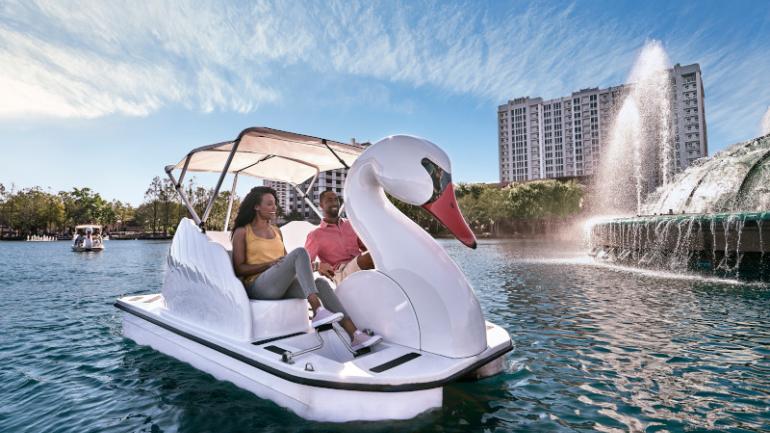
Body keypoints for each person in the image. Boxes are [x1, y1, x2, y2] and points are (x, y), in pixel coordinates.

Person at [231, 186, 381, 351]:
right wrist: (268, 264)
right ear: (256, 207)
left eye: (275, 204)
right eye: (269, 204)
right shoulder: (243, 232)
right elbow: (239, 269)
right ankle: (317, 310)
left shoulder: (276, 231)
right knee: (300, 252)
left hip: (278, 285)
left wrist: (315, 268)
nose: (274, 207)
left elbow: (288, 262)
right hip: (258, 286)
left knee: (321, 283)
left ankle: (355, 335)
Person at [305, 189, 374, 286]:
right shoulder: (315, 235)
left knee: (378, 253)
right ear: (321, 205)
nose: (334, 203)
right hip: (340, 273)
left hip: (360, 264)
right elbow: (303, 263)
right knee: (372, 256)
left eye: (336, 199)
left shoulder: (351, 224)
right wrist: (319, 266)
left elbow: (366, 248)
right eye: (329, 200)